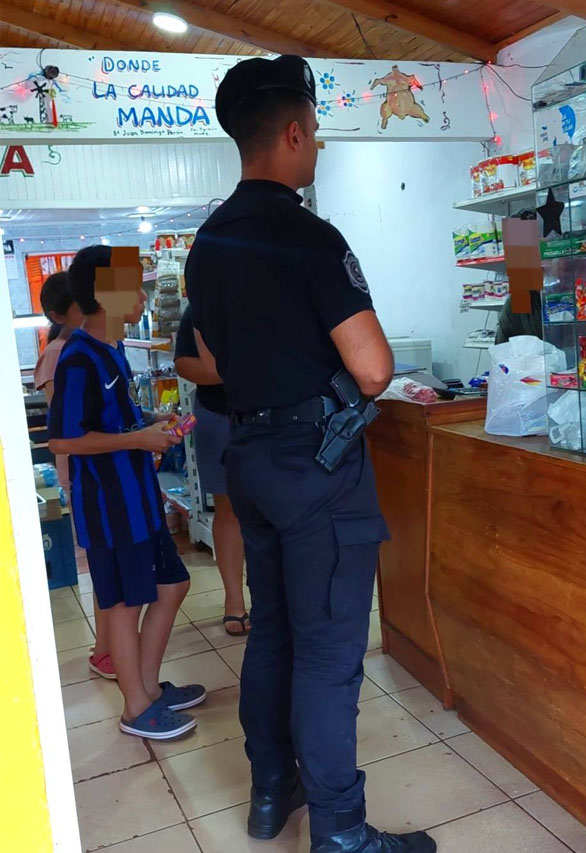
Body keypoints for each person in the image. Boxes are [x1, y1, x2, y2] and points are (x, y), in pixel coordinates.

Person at [187, 56, 437, 852]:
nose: (320, 145)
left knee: (273, 633)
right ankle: (341, 832)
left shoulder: (208, 242)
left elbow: (206, 360)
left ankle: (273, 792)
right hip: (316, 469)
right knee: (328, 654)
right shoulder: (307, 235)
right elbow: (374, 369)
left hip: (251, 458)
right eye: (317, 131)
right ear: (293, 133)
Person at [48, 245, 206, 740]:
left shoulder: (112, 348)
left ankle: (150, 690)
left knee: (172, 585)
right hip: (110, 507)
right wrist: (137, 440)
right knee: (122, 604)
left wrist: (151, 422)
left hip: (140, 500)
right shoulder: (78, 359)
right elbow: (63, 439)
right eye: (133, 288)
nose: (142, 297)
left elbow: (112, 421)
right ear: (103, 296)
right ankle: (136, 707)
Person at [35, 271, 115, 679]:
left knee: (110, 562)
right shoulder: (62, 354)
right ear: (58, 315)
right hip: (86, 469)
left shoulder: (91, 345)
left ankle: (111, 645)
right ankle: (105, 650)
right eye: (81, 307)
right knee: (103, 562)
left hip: (103, 465)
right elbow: (66, 427)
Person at [174, 304, 249, 635]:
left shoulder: (272, 296)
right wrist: (227, 371)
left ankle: (275, 598)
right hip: (218, 414)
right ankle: (234, 600)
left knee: (275, 508)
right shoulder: (202, 308)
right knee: (228, 507)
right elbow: (183, 362)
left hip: (273, 415)